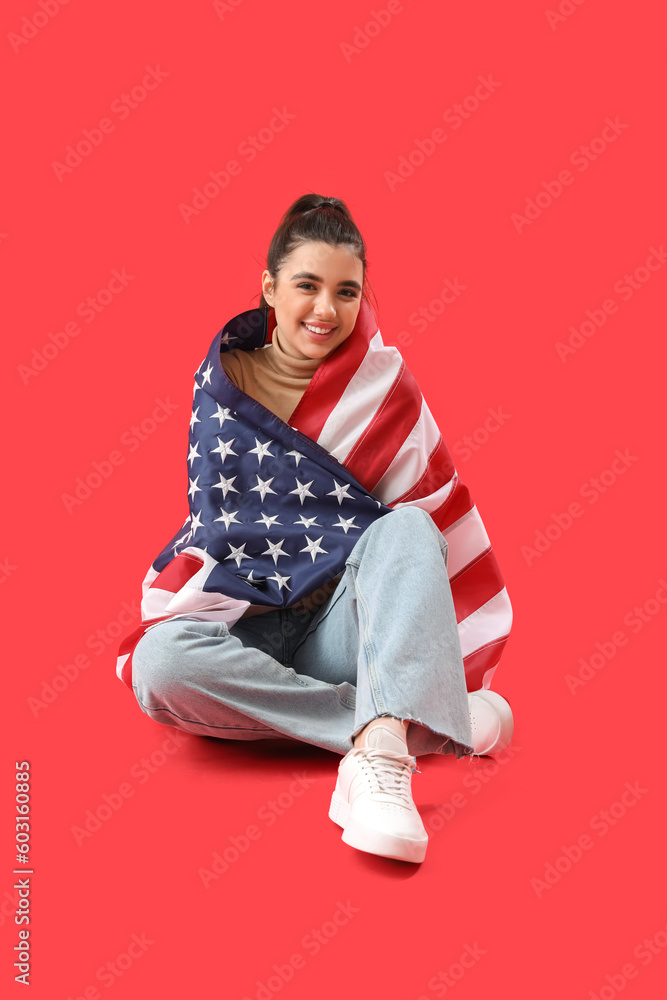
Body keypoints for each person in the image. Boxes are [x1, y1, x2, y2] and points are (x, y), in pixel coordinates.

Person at [117, 193, 514, 864]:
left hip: (341, 625)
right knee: (160, 665)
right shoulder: (220, 386)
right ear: (270, 287)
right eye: (307, 285)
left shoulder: (383, 388)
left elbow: (421, 531)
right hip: (241, 623)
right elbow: (217, 525)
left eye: (346, 291)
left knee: (409, 529)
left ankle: (382, 759)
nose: (326, 309)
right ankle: (403, 723)